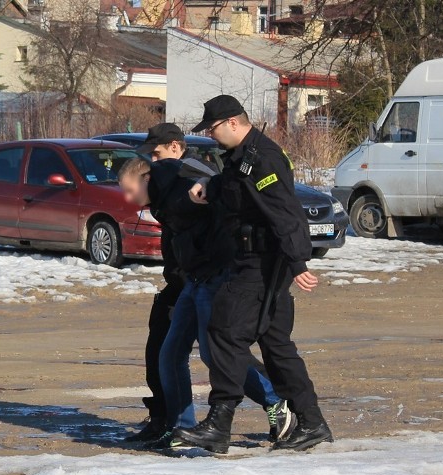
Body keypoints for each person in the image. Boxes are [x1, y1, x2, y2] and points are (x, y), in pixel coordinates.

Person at [174, 95, 333, 453]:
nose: (211, 136)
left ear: (232, 122)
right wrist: (210, 188)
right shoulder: (241, 157)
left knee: (224, 332)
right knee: (277, 347)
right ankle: (312, 423)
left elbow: (285, 212)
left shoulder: (263, 158)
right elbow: (235, 189)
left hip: (261, 263)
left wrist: (298, 263)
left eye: (213, 129)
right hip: (255, 259)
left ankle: (219, 424)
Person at [118, 156, 295, 449]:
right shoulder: (162, 197)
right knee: (170, 354)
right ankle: (181, 428)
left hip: (216, 276)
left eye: (129, 189)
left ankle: (276, 402)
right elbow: (180, 245)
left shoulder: (184, 188)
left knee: (216, 354)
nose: (126, 198)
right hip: (194, 279)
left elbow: (220, 222)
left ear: (145, 178)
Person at [123, 123, 205, 442]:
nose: (152, 162)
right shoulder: (167, 181)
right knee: (159, 349)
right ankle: (165, 419)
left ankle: (276, 405)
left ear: (174, 146)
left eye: (156, 154)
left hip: (203, 280)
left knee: (227, 356)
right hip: (180, 280)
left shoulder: (194, 173)